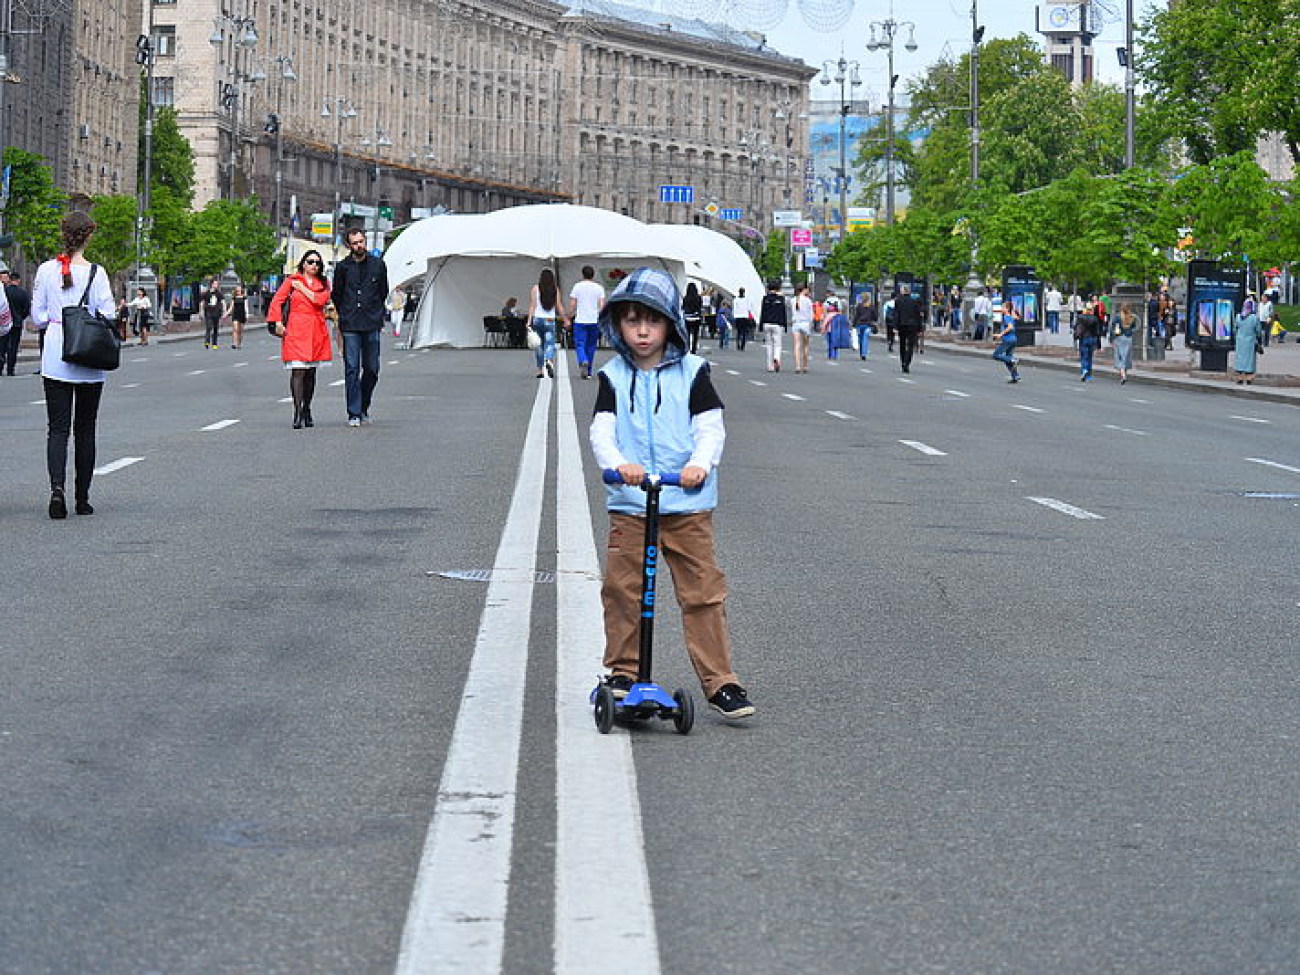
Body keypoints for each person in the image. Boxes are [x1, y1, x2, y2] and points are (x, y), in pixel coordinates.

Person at [589, 266, 755, 720]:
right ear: (618, 326)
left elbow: (710, 427)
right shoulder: (613, 377)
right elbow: (602, 431)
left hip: (687, 504)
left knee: (702, 591)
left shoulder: (693, 373)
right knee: (622, 590)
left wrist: (700, 464)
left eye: (653, 321)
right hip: (631, 503)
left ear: (671, 326)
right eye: (632, 321)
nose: (642, 331)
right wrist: (617, 466)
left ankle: (721, 681)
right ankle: (623, 672)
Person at [32, 210, 116, 518]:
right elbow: (108, 312)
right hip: (89, 356)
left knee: (57, 429)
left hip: (56, 353)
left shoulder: (45, 270)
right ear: (89, 236)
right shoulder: (97, 272)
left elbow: (38, 317)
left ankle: (57, 490)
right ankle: (82, 498)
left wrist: (58, 316)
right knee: (86, 429)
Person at [266, 250, 333, 428]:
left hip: (316, 329)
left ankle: (307, 408)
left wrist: (302, 289)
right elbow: (277, 300)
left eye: (317, 263)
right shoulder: (291, 281)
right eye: (310, 262)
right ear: (303, 263)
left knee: (311, 372)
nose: (314, 266)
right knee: (298, 371)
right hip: (295, 329)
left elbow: (321, 300)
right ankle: (297, 411)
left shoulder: (323, 282)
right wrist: (277, 321)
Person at [331, 227, 389, 425]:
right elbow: (336, 294)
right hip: (351, 324)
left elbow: (383, 291)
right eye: (355, 243)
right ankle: (354, 412)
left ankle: (364, 405)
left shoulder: (378, 265)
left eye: (362, 241)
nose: (359, 245)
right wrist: (345, 313)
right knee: (352, 368)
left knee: (372, 368)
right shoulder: (343, 268)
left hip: (371, 321)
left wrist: (375, 311)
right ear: (349, 245)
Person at [526, 266, 567, 378]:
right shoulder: (555, 289)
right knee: (550, 343)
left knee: (538, 345)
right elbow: (559, 306)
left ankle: (540, 370)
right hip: (549, 319)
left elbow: (532, 306)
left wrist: (529, 321)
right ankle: (549, 359)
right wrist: (565, 319)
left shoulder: (535, 288)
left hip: (537, 319)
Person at [568, 264, 606, 379]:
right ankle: (588, 371)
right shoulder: (599, 288)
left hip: (580, 320)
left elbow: (573, 304)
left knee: (580, 344)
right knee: (591, 346)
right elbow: (602, 305)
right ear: (593, 275)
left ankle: (583, 360)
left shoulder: (577, 286)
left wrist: (568, 317)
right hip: (594, 320)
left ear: (583, 274)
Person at [2, 266, 32, 375]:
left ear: (10, 279)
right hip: (17, 322)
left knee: (3, 345)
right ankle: (11, 369)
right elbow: (27, 308)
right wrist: (21, 317)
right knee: (14, 346)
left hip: (4, 322)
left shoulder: (5, 292)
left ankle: (0, 367)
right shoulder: (23, 293)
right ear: (18, 280)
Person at [893, 283, 923, 373]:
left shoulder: (898, 301)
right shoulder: (915, 301)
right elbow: (918, 315)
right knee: (910, 345)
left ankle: (903, 362)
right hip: (912, 325)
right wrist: (920, 328)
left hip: (902, 325)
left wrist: (895, 326)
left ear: (902, 291)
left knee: (902, 344)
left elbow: (896, 314)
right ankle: (907, 362)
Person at [758, 278, 787, 372]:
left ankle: (770, 366)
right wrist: (785, 325)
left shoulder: (765, 298)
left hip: (767, 323)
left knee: (769, 345)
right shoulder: (780, 299)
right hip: (777, 324)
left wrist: (760, 325)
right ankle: (776, 358)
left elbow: (762, 312)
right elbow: (783, 313)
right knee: (777, 344)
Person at [1232, 297, 1262, 385]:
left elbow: (1235, 329)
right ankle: (1249, 378)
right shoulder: (1254, 318)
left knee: (1240, 358)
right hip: (1250, 341)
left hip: (1240, 341)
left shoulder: (1238, 317)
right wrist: (1259, 339)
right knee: (1249, 360)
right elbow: (1258, 331)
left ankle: (1239, 377)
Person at [991, 299, 1022, 383]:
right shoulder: (1011, 316)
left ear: (1007, 309)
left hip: (1008, 339)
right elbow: (1017, 318)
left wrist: (1000, 334)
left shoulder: (1006, 317)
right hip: (1013, 339)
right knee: (1007, 358)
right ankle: (1015, 376)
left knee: (996, 355)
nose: (1001, 309)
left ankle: (1013, 360)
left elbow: (1010, 327)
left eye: (1003, 307)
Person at [1110, 301, 1138, 385]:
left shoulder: (1118, 317)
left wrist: (1111, 339)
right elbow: (1134, 326)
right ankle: (1125, 373)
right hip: (1128, 337)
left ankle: (1123, 374)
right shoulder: (1131, 317)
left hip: (1119, 337)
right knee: (1126, 356)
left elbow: (1113, 328)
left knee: (1120, 356)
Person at [1075, 299, 1103, 381]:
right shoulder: (1095, 319)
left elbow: (1076, 328)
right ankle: (1089, 375)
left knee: (1083, 356)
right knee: (1090, 357)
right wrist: (1098, 343)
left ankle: (1084, 370)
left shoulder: (1080, 317)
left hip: (1083, 338)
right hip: (1092, 338)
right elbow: (1098, 332)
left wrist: (1076, 336)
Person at [790, 283, 813, 373]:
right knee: (806, 345)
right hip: (805, 323)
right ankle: (805, 365)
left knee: (797, 345)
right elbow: (811, 315)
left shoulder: (793, 300)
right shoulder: (808, 301)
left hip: (796, 323)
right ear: (804, 290)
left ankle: (797, 366)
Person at [200, 277, 223, 349]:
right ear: (212, 284)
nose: (216, 285)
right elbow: (202, 302)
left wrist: (224, 311)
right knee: (208, 326)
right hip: (208, 311)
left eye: (217, 284)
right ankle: (207, 341)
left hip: (216, 312)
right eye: (215, 284)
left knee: (215, 328)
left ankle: (214, 344)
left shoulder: (219, 293)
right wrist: (201, 311)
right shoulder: (207, 293)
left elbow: (223, 302)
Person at [681, 281, 703, 354]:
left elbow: (683, 307)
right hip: (696, 318)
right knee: (695, 335)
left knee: (687, 334)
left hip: (688, 318)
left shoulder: (685, 298)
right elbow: (700, 307)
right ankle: (693, 350)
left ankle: (687, 349)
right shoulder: (698, 297)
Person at [852, 291, 876, 359]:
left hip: (860, 324)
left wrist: (854, 325)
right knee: (865, 338)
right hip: (868, 324)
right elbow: (874, 316)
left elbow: (856, 316)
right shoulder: (871, 306)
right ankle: (864, 353)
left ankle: (861, 352)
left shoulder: (859, 306)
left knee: (861, 339)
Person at [224, 284, 248, 350]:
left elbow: (246, 307)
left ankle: (239, 343)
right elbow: (231, 307)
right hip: (235, 314)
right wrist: (226, 314)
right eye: (237, 290)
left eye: (240, 289)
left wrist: (247, 314)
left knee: (240, 330)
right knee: (235, 329)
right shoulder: (234, 298)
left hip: (242, 314)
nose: (238, 291)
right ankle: (234, 343)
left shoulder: (244, 298)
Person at [731, 286, 754, 351]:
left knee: (738, 332)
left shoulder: (735, 300)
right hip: (745, 316)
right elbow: (749, 308)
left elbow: (734, 308)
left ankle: (738, 345)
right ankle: (742, 346)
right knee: (744, 332)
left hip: (738, 316)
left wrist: (734, 316)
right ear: (744, 292)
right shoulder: (746, 299)